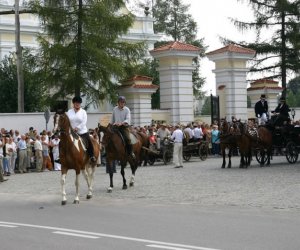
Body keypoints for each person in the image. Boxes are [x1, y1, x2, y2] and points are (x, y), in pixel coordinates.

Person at [67, 96, 96, 163]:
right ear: (73, 103)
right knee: (64, 141)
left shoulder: (83, 112)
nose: (77, 104)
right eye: (76, 103)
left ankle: (92, 156)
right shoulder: (69, 111)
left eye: (79, 103)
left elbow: (84, 122)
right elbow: (67, 121)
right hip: (72, 132)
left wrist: (77, 128)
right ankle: (61, 157)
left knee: (89, 141)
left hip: (82, 132)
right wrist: (71, 129)